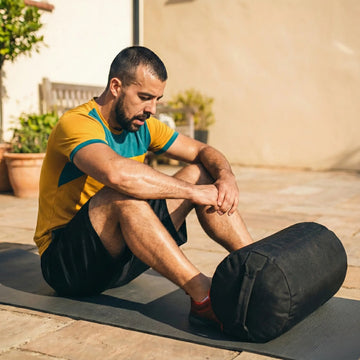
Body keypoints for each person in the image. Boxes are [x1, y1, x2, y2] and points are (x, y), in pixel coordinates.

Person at [34, 46, 253, 329]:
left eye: (157, 99)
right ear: (116, 86)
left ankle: (257, 264)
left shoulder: (143, 125)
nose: (152, 109)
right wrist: (192, 193)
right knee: (121, 195)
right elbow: (116, 173)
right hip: (67, 266)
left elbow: (203, 150)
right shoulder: (77, 123)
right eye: (145, 98)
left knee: (201, 172)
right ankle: (203, 297)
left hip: (118, 260)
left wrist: (226, 176)